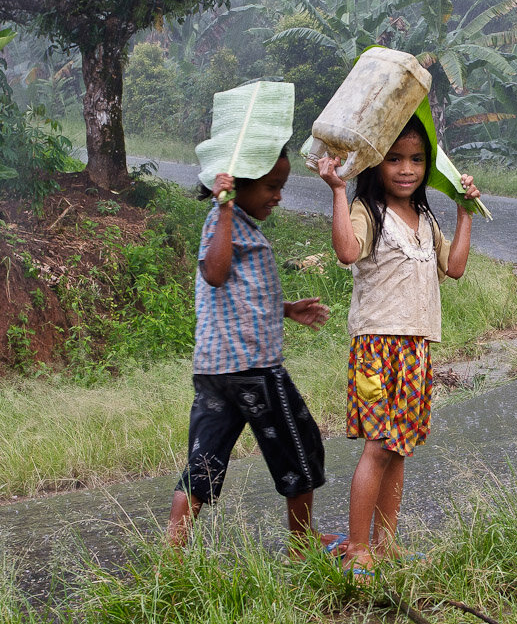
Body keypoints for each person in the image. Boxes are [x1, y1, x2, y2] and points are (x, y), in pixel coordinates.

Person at [317, 114, 480, 573]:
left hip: (416, 351)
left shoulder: (425, 217)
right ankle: (358, 547)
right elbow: (347, 252)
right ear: (375, 163)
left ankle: (387, 545)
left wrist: (464, 211)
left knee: (400, 446)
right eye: (394, 159)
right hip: (375, 351)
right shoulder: (368, 211)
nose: (406, 169)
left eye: (416, 159)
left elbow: (456, 266)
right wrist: (336, 191)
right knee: (378, 446)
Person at [166, 145, 336, 558]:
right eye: (272, 186)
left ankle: (172, 551)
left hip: (215, 372)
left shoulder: (239, 225)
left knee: (204, 461)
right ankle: (301, 544)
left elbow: (240, 295)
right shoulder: (222, 222)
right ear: (236, 186)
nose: (278, 196)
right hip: (254, 368)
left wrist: (286, 310)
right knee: (300, 446)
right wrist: (223, 209)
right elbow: (216, 272)